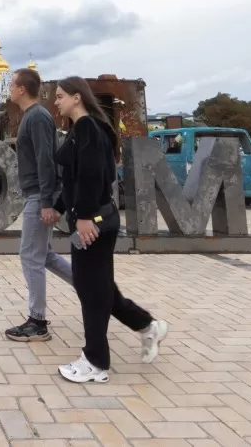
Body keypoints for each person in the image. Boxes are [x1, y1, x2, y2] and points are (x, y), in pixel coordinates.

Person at [50, 76, 167, 384]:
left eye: (61, 96)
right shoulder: (83, 130)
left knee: (91, 292)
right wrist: (61, 208)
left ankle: (96, 362)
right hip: (93, 219)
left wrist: (85, 217)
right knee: (98, 289)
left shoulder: (88, 127)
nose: (56, 101)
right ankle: (148, 327)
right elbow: (74, 179)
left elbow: (91, 176)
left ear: (77, 98)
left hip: (95, 222)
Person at [4, 67, 73, 343]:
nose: (9, 88)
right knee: (44, 255)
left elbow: (47, 160)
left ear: (22, 89)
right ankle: (92, 286)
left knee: (30, 257)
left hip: (39, 196)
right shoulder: (32, 116)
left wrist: (47, 202)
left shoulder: (37, 117)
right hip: (36, 194)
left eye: (11, 84)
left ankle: (37, 322)